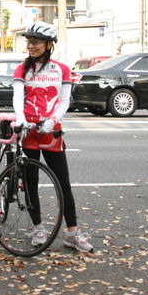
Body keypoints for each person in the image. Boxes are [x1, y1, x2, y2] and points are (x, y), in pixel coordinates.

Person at [12, 21, 93, 253]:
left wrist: (52, 120)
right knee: (31, 183)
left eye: (35, 42)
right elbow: (18, 97)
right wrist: (20, 119)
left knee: (63, 183)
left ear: (49, 45)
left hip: (51, 133)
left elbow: (65, 101)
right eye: (29, 42)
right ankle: (37, 228)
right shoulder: (22, 69)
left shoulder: (62, 69)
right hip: (28, 131)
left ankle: (72, 233)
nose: (31, 46)